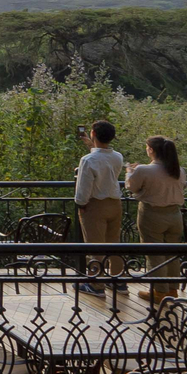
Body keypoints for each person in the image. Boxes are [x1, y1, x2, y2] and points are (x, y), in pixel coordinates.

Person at [127, 135, 187, 303]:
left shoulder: (144, 170)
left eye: (147, 147)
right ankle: (173, 289)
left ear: (151, 150)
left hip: (152, 214)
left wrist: (129, 173)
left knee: (154, 253)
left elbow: (132, 187)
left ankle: (159, 291)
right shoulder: (178, 171)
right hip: (175, 215)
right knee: (172, 252)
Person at [73, 120, 125, 296]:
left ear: (94, 134)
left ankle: (95, 284)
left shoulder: (87, 160)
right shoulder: (117, 156)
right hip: (115, 203)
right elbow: (102, 158)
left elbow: (84, 187)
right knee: (113, 243)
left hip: (95, 204)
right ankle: (118, 281)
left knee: (95, 245)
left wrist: (81, 204)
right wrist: (91, 144)